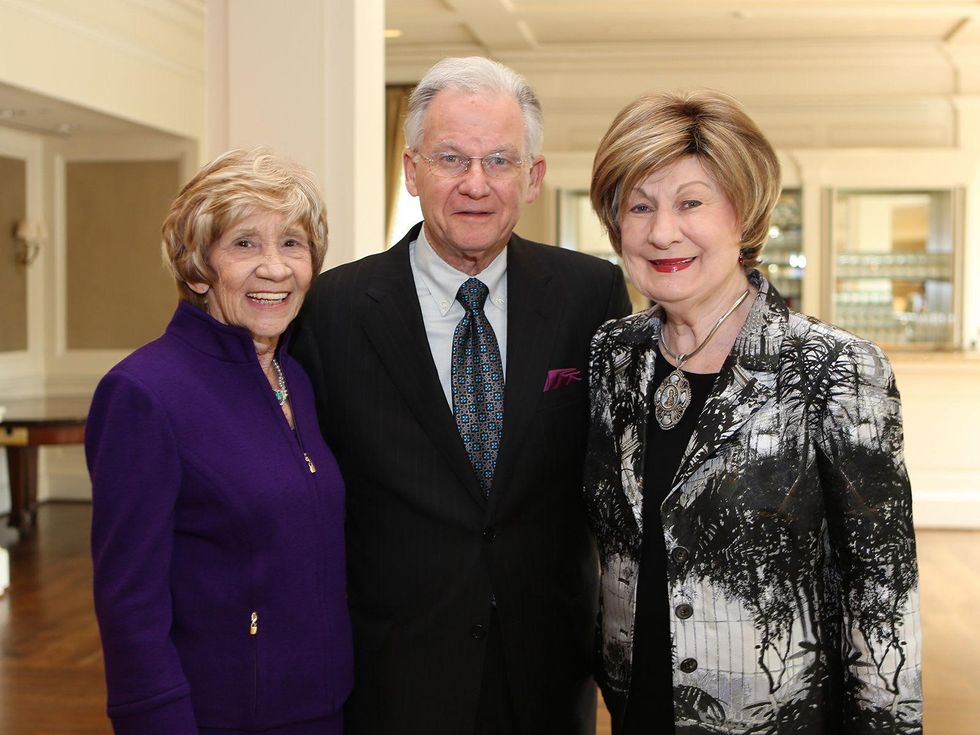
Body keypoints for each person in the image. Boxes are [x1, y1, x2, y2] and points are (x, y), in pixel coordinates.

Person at [291, 57, 632, 735]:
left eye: (499, 160)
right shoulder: (332, 308)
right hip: (391, 671)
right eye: (451, 158)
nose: (475, 184)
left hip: (547, 671)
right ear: (412, 169)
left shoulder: (590, 296)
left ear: (532, 177)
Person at [584, 89, 923, 734]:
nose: (662, 232)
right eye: (640, 206)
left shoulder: (836, 370)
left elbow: (882, 597)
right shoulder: (612, 358)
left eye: (691, 203)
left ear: (744, 215)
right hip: (636, 709)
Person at [86, 148, 353, 735]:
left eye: (292, 243)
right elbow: (130, 601)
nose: (276, 268)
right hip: (219, 716)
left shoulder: (297, 377)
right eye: (245, 244)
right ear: (198, 265)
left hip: (321, 707)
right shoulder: (144, 393)